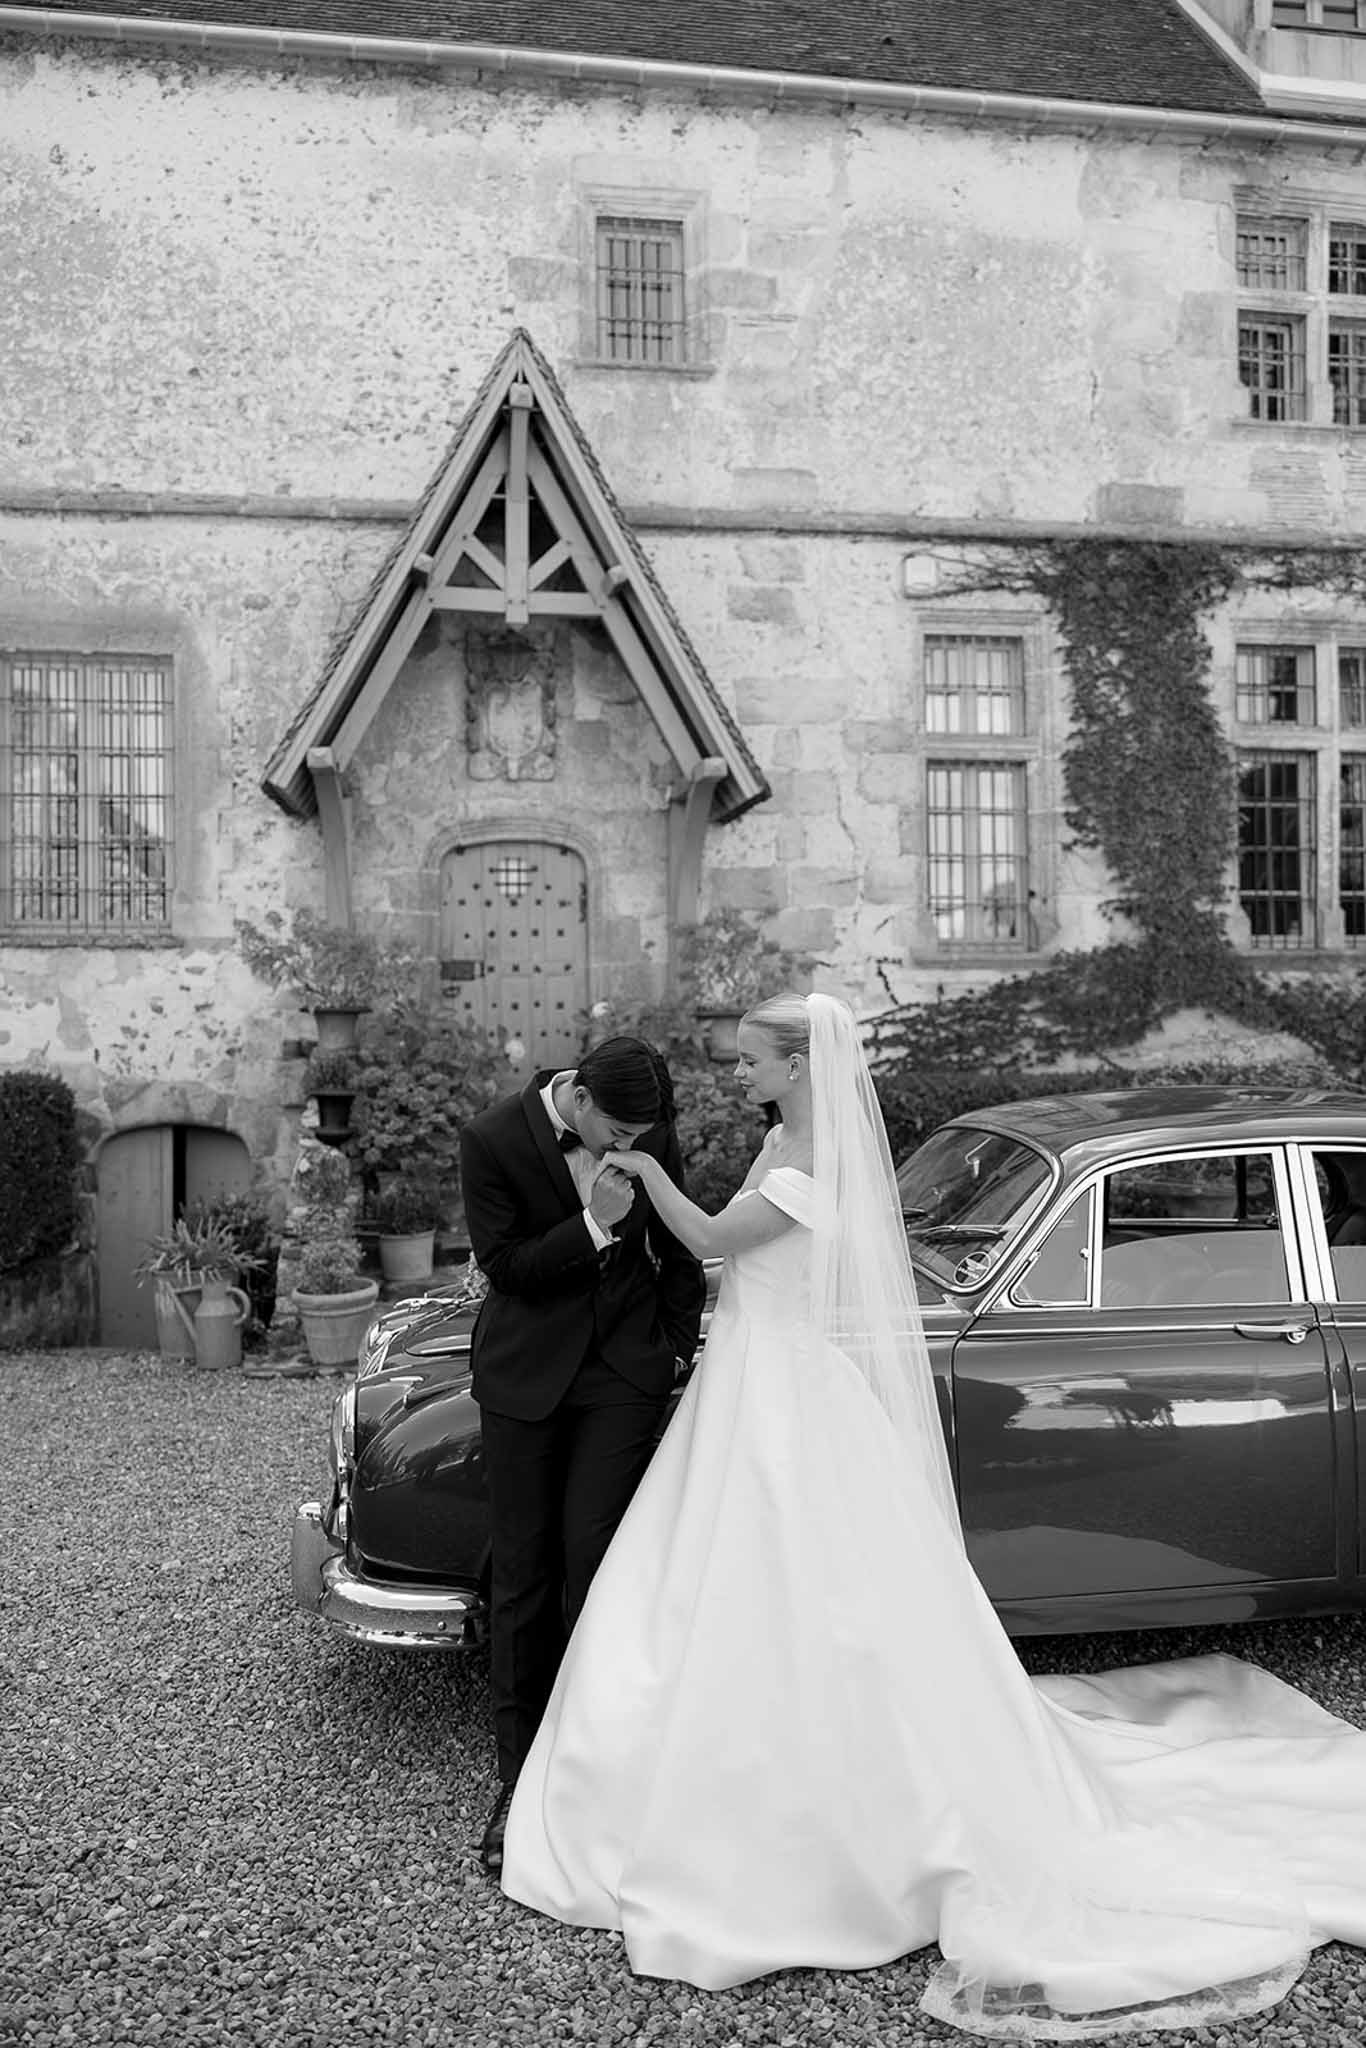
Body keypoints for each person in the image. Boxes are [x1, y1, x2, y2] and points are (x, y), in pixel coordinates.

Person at [501, 992, 1366, 2038]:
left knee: (798, 1580)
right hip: (753, 1376)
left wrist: (639, 1176)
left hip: (776, 1385)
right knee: (748, 1577)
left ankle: (811, 1800)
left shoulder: (805, 1159)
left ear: (795, 1061)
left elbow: (719, 1237)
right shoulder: (787, 1133)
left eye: (750, 1059)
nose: (738, 1073)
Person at [459, 1035, 706, 1881]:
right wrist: (594, 1224)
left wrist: (675, 1348)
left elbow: (678, 1249)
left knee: (599, 1565)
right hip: (526, 1376)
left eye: (646, 1136)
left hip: (623, 1375)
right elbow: (506, 1269)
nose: (633, 1149)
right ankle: (519, 1783)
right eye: (622, 1132)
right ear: (583, 1101)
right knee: (523, 1577)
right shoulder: (490, 1139)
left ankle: (606, 1770)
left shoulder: (644, 1127)